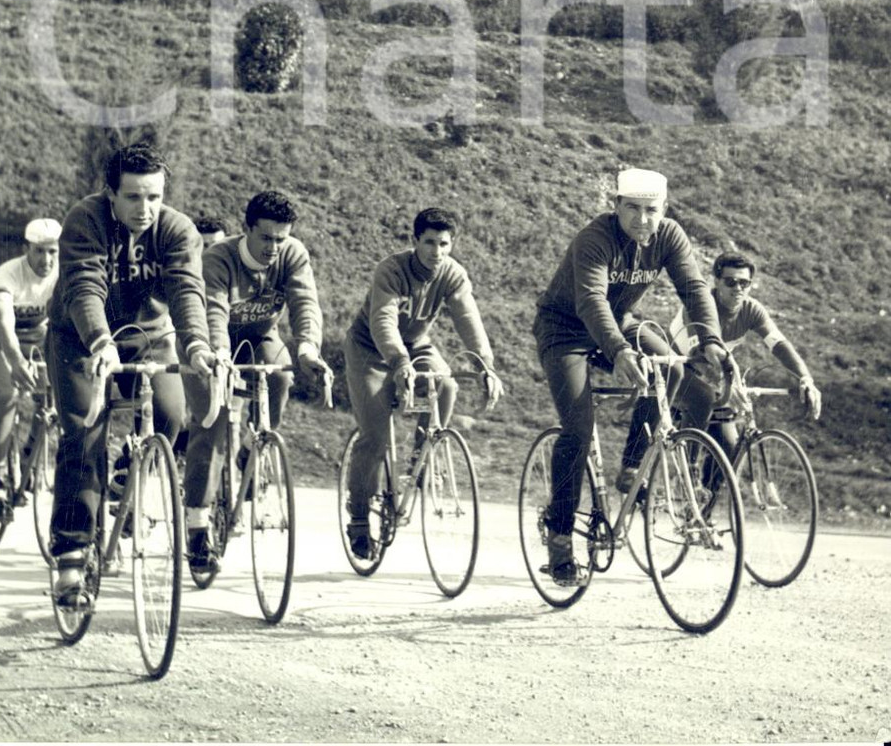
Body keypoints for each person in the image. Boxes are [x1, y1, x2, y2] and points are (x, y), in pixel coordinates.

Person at [532, 168, 729, 586]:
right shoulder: (595, 238)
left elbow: (694, 290)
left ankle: (632, 465)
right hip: (565, 329)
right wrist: (619, 351)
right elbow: (590, 300)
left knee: (673, 370)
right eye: (633, 209)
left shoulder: (670, 236)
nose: (643, 220)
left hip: (620, 322)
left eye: (651, 210)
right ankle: (560, 538)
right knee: (578, 430)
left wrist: (710, 339)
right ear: (616, 206)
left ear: (665, 209)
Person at [46, 141, 215, 608]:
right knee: (83, 432)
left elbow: (186, 290)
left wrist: (197, 343)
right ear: (110, 193)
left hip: (147, 332)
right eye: (134, 197)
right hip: (80, 337)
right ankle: (72, 552)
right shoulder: (86, 218)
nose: (146, 209)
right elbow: (84, 286)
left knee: (172, 415)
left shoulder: (178, 230)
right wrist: (100, 341)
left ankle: (123, 477)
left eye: (155, 197)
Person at [182, 190, 331, 573]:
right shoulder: (218, 258)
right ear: (247, 229)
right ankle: (197, 525)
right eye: (266, 238)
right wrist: (219, 355)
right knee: (211, 424)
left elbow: (304, 302)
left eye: (281, 239)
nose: (274, 248)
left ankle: (253, 444)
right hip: (213, 344)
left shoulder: (292, 254)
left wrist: (309, 349)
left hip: (261, 336)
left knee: (281, 375)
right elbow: (213, 310)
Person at [342, 207, 504, 561]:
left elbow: (468, 319)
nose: (437, 251)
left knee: (446, 386)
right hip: (370, 349)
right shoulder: (392, 269)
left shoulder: (452, 273)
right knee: (376, 435)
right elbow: (383, 320)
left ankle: (422, 457)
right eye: (429, 242)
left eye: (444, 243)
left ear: (452, 243)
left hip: (417, 345)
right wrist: (398, 362)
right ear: (414, 241)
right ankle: (357, 517)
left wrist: (485, 367)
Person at [669, 251, 822, 460]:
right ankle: (688, 477)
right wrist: (726, 383)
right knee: (702, 400)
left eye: (744, 283)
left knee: (730, 448)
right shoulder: (700, 305)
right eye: (731, 282)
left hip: (713, 374)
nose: (738, 289)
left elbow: (778, 343)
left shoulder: (751, 310)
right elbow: (700, 354)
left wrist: (805, 379)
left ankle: (707, 493)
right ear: (717, 281)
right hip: (678, 369)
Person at [0, 217, 62, 520]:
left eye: (53, 252)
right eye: (39, 251)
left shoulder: (62, 274)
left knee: (52, 399)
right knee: (5, 395)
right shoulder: (7, 276)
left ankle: (28, 462)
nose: (46, 260)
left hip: (38, 338)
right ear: (26, 249)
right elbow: (4, 324)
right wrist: (15, 362)